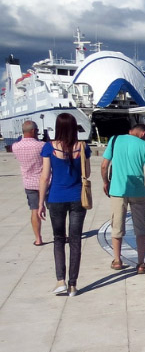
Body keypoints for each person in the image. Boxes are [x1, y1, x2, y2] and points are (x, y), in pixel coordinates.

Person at [38, 113, 90, 296]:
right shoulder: (83, 147)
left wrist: (40, 204)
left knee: (59, 239)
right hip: (77, 198)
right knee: (75, 241)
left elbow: (45, 177)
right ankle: (73, 285)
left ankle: (60, 281)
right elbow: (87, 172)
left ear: (58, 127)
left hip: (56, 197)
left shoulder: (49, 147)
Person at [100, 123, 145, 274]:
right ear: (143, 134)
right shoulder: (143, 146)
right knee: (140, 228)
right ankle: (141, 263)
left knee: (117, 225)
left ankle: (117, 260)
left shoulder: (114, 140)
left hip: (117, 190)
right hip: (138, 191)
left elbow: (104, 166)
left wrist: (105, 182)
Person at [11, 120, 45, 246]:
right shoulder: (41, 145)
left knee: (34, 210)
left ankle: (38, 238)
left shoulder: (15, 146)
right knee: (54, 210)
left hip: (29, 183)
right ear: (33, 131)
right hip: (45, 182)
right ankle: (61, 234)